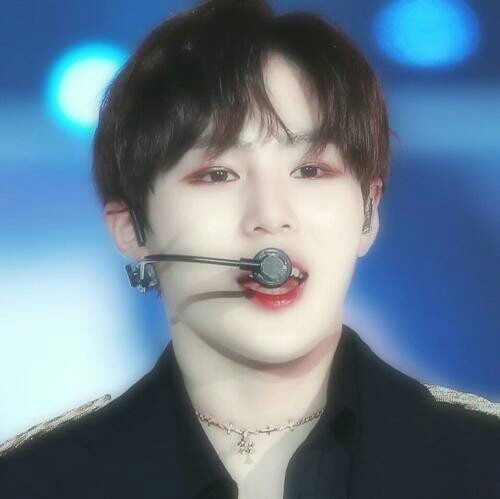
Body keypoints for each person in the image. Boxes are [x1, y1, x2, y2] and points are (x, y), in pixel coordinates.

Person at [1, 0, 499, 497]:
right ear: (132, 227)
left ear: (369, 213)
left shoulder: (482, 461)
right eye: (218, 174)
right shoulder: (34, 481)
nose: (270, 215)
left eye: (311, 170)